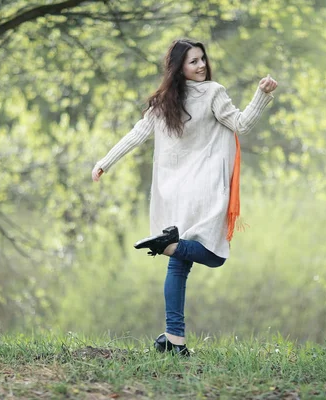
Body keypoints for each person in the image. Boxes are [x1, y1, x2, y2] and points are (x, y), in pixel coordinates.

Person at [92, 39, 277, 356]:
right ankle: (168, 245)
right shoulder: (212, 93)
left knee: (178, 266)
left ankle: (174, 339)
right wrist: (262, 95)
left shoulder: (165, 99)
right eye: (194, 61)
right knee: (215, 255)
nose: (202, 65)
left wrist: (103, 162)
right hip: (205, 190)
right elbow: (242, 125)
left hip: (176, 191)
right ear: (179, 67)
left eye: (203, 59)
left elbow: (137, 133)